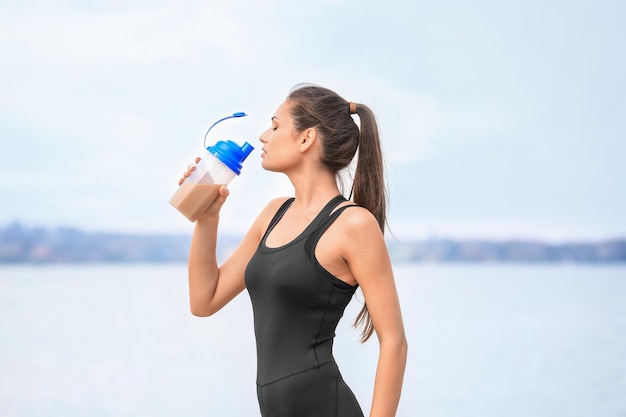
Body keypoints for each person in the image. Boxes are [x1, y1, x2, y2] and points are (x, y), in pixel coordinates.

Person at [180, 84, 407, 417]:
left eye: (275, 126)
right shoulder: (273, 214)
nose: (263, 136)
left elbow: (394, 341)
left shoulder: (353, 225)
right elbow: (204, 300)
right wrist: (207, 217)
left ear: (306, 139)